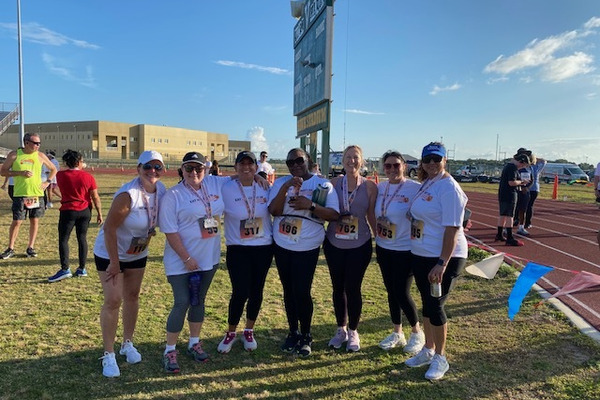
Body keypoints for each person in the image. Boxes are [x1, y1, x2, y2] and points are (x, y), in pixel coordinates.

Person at [158, 152, 268, 372]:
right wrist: (186, 258)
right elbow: (170, 231)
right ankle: (170, 349)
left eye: (198, 168)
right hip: (181, 261)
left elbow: (242, 175)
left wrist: (259, 176)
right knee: (182, 302)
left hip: (208, 260)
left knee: (199, 301)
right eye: (189, 168)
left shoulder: (215, 183)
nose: (194, 173)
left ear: (205, 169)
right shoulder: (174, 195)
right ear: (182, 170)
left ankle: (194, 343)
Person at [94, 150, 166, 378]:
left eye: (158, 167)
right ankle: (108, 354)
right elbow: (109, 228)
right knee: (113, 300)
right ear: (138, 168)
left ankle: (127, 343)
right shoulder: (128, 194)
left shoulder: (161, 190)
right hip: (110, 253)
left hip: (137, 252)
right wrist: (114, 262)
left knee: (133, 297)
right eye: (148, 167)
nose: (152, 171)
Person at [404, 142, 468, 381]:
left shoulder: (449, 188)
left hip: (443, 257)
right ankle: (428, 349)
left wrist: (442, 262)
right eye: (427, 159)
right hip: (422, 253)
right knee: (427, 303)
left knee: (436, 305)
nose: (431, 163)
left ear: (445, 160)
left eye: (436, 159)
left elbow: (452, 229)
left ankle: (441, 357)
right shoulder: (430, 182)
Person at [268, 148, 339, 357]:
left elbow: (333, 215)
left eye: (299, 160)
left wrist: (311, 205)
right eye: (290, 163)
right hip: (282, 243)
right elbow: (274, 210)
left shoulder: (322, 184)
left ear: (307, 160)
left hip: (306, 246)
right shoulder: (281, 183)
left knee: (302, 291)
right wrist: (286, 188)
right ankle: (293, 332)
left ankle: (306, 334)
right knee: (288, 290)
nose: (295, 165)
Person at [217, 151, 273, 354]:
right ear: (236, 167)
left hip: (264, 247)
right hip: (237, 248)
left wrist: (258, 178)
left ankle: (249, 330)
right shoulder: (226, 187)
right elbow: (209, 178)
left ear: (257, 167)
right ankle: (231, 332)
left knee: (257, 291)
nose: (246, 167)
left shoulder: (266, 187)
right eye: (242, 164)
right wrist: (236, 177)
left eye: (251, 164)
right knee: (240, 292)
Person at [323, 145, 377, 352]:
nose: (351, 161)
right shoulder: (333, 183)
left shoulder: (370, 187)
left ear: (361, 161)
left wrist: (378, 239)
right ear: (342, 160)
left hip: (360, 243)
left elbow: (371, 215)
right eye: (348, 157)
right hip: (334, 243)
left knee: (353, 288)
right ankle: (341, 329)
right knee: (338, 288)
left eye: (355, 158)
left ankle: (354, 331)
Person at [374, 150, 425, 354]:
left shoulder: (415, 188)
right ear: (383, 168)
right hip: (384, 247)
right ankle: (397, 332)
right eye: (388, 166)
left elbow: (426, 211)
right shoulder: (380, 187)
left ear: (404, 166)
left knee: (402, 292)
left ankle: (417, 332)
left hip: (406, 248)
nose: (393, 169)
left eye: (396, 165)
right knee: (390, 291)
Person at [0, 133, 57, 259]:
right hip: (20, 193)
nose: (38, 145)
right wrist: (20, 173)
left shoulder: (41, 156)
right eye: (36, 143)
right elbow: (3, 171)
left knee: (34, 220)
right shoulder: (14, 155)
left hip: (36, 194)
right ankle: (10, 248)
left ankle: (30, 247)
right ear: (26, 142)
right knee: (17, 221)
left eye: (39, 143)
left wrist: (47, 182)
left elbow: (54, 169)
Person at [48, 150, 103, 282]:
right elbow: (95, 196)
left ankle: (65, 268)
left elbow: (52, 181)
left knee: (63, 239)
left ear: (66, 162)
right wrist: (99, 213)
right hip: (85, 210)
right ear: (79, 162)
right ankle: (82, 268)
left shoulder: (61, 175)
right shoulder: (88, 177)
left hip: (68, 210)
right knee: (82, 238)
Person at [495, 153, 531, 246]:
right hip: (510, 194)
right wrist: (522, 182)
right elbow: (511, 182)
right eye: (523, 165)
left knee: (503, 214)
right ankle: (510, 237)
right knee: (510, 215)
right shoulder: (513, 168)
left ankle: (499, 234)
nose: (522, 167)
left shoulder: (508, 166)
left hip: (503, 193)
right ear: (520, 161)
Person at [523, 151, 546, 230]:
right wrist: (534, 158)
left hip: (527, 187)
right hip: (534, 188)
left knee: (522, 205)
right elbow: (544, 161)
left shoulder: (525, 166)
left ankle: (519, 220)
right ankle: (527, 223)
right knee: (530, 206)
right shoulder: (536, 167)